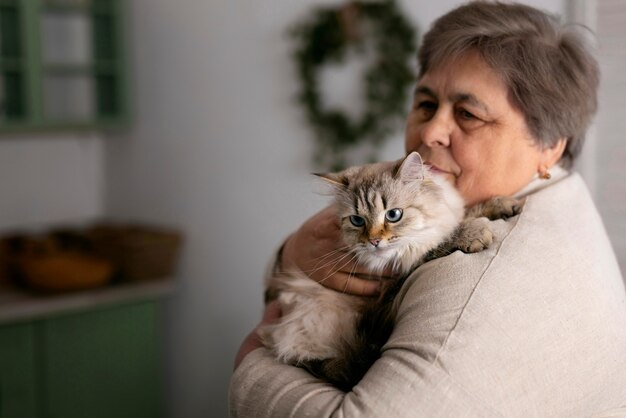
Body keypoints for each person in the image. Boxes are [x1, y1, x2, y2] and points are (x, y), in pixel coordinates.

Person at [230, 2, 626, 416]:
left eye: (469, 114)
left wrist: (251, 361)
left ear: (549, 145)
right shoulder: (554, 195)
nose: (431, 132)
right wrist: (292, 253)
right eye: (425, 104)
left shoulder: (475, 278)